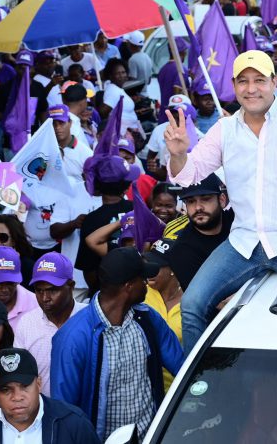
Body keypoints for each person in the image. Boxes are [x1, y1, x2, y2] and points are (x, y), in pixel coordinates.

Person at [166, 50, 277, 352]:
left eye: (259, 80)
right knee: (192, 304)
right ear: (234, 85)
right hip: (243, 242)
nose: (251, 89)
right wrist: (177, 154)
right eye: (243, 81)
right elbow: (188, 175)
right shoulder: (225, 129)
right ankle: (200, 388)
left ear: (274, 82)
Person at [50, 248, 184, 441]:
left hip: (149, 437)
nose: (147, 284)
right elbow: (64, 410)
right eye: (142, 278)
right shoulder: (73, 337)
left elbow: (180, 364)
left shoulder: (147, 319)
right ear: (129, 286)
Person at [0, 347, 101, 444]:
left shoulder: (74, 423)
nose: (17, 397)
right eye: (6, 389)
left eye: (24, 386)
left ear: (39, 384)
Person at [14, 253, 86, 396]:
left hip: (82, 411)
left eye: (52, 290)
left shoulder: (88, 318)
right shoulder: (27, 323)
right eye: (39, 290)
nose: (45, 298)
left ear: (71, 286)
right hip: (42, 411)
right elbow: (19, 374)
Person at [76, 155, 138, 292]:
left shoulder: (90, 220)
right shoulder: (137, 208)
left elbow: (89, 269)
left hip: (106, 292)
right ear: (126, 185)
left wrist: (98, 290)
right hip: (138, 286)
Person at [162, 173, 234, 290]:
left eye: (205, 199)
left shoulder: (237, 221)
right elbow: (210, 301)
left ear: (222, 200)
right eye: (191, 201)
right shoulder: (182, 251)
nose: (198, 207)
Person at [143, 238, 183, 391]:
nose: (149, 271)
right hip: (146, 390)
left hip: (178, 391)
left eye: (155, 267)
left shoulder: (192, 300)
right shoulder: (140, 294)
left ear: (173, 269)